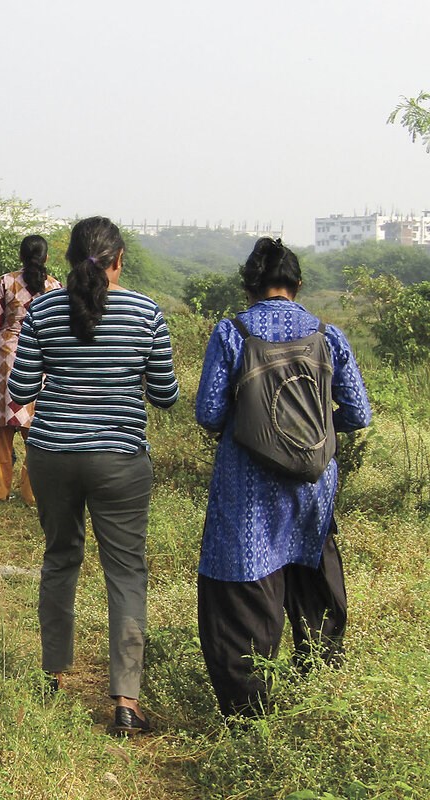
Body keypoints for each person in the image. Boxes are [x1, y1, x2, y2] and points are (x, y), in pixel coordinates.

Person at [9, 216, 179, 736]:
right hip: (120, 461)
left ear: (68, 260)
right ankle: (125, 704)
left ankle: (52, 677)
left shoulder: (42, 310)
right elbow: (166, 395)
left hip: (53, 455)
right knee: (126, 574)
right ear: (119, 259)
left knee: (60, 558)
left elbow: (19, 389)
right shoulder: (146, 312)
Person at [194, 237, 371, 720]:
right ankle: (319, 695)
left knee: (246, 580)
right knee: (310, 569)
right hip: (314, 486)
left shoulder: (233, 333)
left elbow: (209, 412)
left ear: (250, 285)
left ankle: (249, 714)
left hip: (246, 485)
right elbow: (359, 413)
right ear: (297, 284)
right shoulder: (326, 334)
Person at [0, 234, 62, 502]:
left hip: (5, 358)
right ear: (46, 257)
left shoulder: (7, 281)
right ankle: (32, 493)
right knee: (35, 431)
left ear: (21, 257)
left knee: (0, 430)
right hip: (42, 362)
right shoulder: (55, 287)